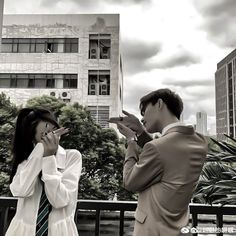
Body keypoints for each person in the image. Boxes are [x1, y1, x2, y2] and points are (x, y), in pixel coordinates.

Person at [109, 88, 208, 236]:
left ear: (159, 103)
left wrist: (131, 142)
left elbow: (129, 182)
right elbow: (166, 154)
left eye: (144, 111)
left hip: (152, 230)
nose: (142, 118)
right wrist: (141, 132)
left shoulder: (159, 147)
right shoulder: (200, 141)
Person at [6, 108, 82, 236]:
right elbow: (21, 190)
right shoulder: (26, 160)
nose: (50, 136)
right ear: (31, 137)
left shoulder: (72, 157)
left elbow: (59, 200)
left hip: (60, 231)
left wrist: (48, 158)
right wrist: (40, 150)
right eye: (44, 136)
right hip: (22, 231)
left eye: (52, 129)